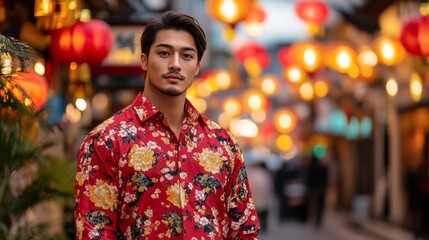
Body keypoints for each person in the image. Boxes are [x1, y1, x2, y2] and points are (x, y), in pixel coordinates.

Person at [74, 11, 260, 239]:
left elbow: (244, 228)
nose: (175, 64)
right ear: (144, 59)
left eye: (187, 56)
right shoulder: (106, 140)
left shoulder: (223, 144)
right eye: (164, 53)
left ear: (198, 66)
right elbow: (95, 232)